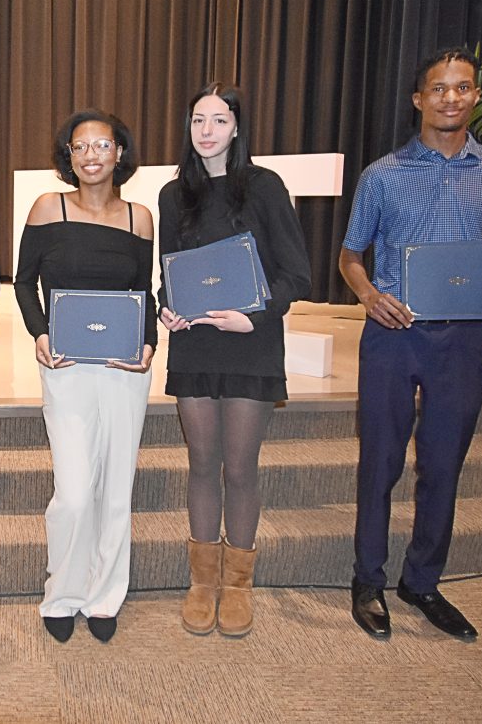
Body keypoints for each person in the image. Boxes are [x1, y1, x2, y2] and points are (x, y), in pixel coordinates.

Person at [340, 47, 482, 641]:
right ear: (419, 99)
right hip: (393, 335)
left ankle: (421, 582)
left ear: (476, 96)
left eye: (463, 87)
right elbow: (351, 257)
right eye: (439, 88)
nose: (451, 97)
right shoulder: (382, 175)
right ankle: (367, 579)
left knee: (443, 467)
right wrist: (369, 295)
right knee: (379, 463)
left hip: (463, 341)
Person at [158, 83, 312, 637]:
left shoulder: (266, 187)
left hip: (251, 339)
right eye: (198, 120)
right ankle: (202, 582)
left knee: (240, 466)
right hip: (196, 342)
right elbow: (169, 275)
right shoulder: (175, 194)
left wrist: (255, 316)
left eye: (219, 121)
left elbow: (297, 273)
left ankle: (238, 583)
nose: (207, 131)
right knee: (201, 463)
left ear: (237, 127)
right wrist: (167, 310)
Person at [15, 110, 156, 643]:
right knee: (74, 492)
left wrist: (148, 345)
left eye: (103, 145)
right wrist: (40, 333)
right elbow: (25, 283)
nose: (92, 155)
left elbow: (145, 294)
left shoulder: (138, 218)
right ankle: (63, 592)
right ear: (67, 156)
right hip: (67, 365)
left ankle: (103, 597)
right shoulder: (47, 208)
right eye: (81, 147)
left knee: (115, 491)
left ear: (120, 152)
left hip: (124, 368)